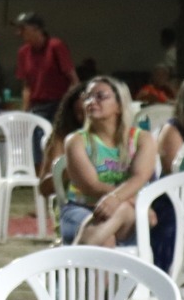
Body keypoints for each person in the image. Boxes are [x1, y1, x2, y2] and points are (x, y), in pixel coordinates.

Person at [60, 77, 156, 246]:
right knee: (107, 237)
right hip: (82, 208)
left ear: (119, 105)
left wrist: (117, 200)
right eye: (88, 97)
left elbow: (139, 177)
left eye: (100, 96)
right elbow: (91, 186)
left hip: (125, 208)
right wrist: (125, 200)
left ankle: (73, 259)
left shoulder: (142, 139)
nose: (91, 101)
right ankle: (79, 255)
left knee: (123, 212)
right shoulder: (76, 141)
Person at [13, 12, 76, 124]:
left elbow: (74, 81)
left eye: (22, 29)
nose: (19, 33)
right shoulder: (23, 52)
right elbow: (26, 86)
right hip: (37, 107)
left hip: (59, 105)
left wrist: (66, 107)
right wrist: (25, 113)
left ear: (36, 28)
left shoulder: (56, 46)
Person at [36, 81, 89, 200]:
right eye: (81, 113)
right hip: (73, 202)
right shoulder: (63, 137)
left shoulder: (123, 137)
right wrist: (68, 170)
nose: (87, 119)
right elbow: (45, 188)